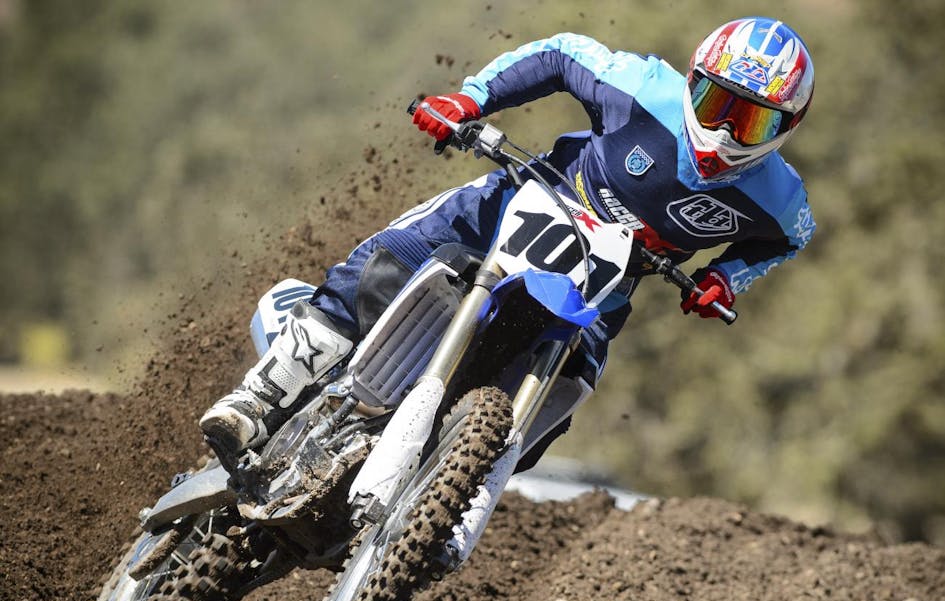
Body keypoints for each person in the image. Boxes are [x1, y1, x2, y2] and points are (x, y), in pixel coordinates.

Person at [199, 17, 816, 468]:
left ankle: (452, 508)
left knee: (564, 392)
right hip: (516, 206)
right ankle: (254, 401)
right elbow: (559, 54)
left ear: (786, 126)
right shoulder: (641, 88)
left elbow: (788, 241)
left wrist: (726, 277)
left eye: (751, 119)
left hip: (604, 285)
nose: (725, 130)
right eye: (715, 102)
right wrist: (470, 99)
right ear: (692, 82)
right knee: (384, 268)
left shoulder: (781, 199)